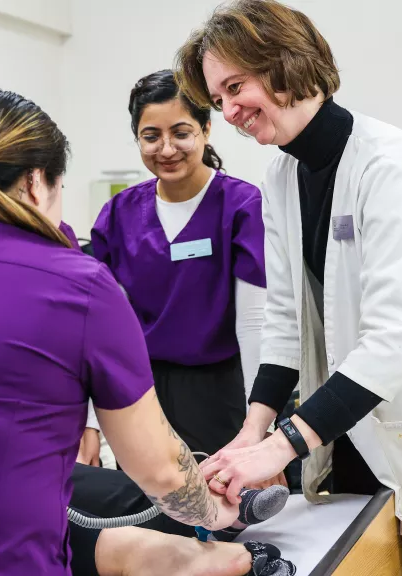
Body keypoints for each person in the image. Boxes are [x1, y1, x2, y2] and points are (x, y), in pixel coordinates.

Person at [0, 89, 295, 576]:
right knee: (139, 519)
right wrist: (220, 514)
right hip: (6, 557)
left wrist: (252, 428)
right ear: (36, 181)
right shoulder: (76, 282)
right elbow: (161, 471)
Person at [174, 0, 402, 573]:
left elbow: (391, 342)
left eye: (235, 87)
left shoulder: (386, 167)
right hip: (347, 438)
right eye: (217, 100)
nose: (228, 112)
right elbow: (285, 322)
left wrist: (280, 446)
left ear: (284, 62)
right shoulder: (282, 174)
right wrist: (252, 433)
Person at [88, 69, 269, 460]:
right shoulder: (119, 214)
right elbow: (99, 327)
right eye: (151, 137)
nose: (166, 149)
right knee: (146, 509)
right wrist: (91, 420)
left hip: (221, 393)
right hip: (140, 394)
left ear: (206, 129)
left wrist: (260, 426)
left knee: (228, 511)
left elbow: (253, 324)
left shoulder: (241, 206)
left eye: (181, 133)